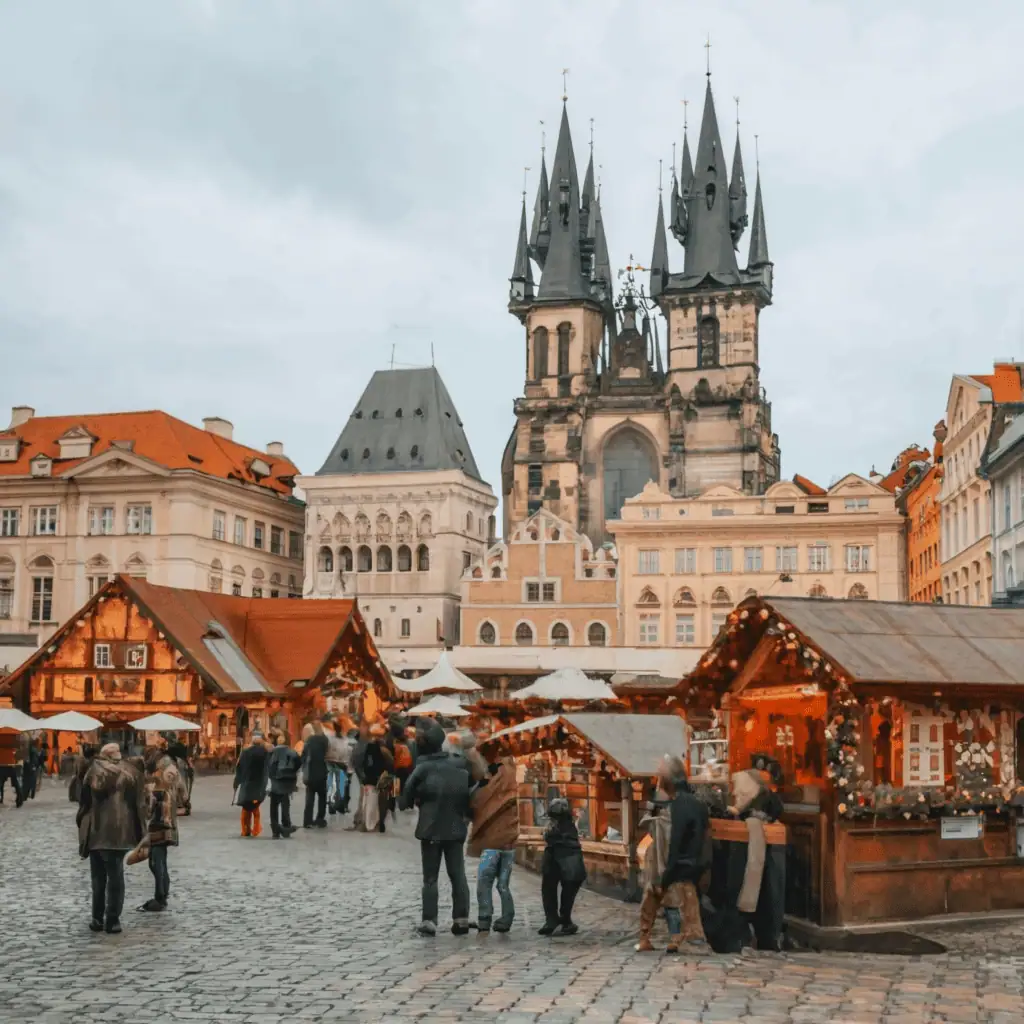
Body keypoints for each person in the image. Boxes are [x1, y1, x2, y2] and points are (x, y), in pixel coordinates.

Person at [399, 718, 472, 937]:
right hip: (456, 827)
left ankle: (429, 920)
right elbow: (471, 792)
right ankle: (461, 918)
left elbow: (405, 799)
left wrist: (416, 798)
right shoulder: (460, 764)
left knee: (430, 877)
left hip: (431, 828)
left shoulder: (423, 768)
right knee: (457, 874)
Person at [77, 742, 147, 934]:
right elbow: (139, 804)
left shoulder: (92, 772)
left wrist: (82, 825)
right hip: (119, 831)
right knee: (115, 877)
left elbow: (83, 802)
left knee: (98, 878)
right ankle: (113, 920)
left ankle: (97, 918)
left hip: (96, 831)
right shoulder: (130, 774)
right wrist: (141, 832)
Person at [659, 757, 709, 949]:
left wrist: (668, 871)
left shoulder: (679, 804)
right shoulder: (696, 802)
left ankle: (681, 938)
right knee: (689, 902)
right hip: (695, 864)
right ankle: (688, 938)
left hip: (682, 866)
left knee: (676, 904)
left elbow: (676, 840)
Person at [468, 756, 519, 933]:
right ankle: (506, 918)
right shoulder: (512, 788)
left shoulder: (490, 790)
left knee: (485, 881)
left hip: (493, 844)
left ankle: (485, 919)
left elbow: (473, 803)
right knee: (502, 884)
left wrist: (480, 784)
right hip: (509, 843)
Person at [138, 746, 188, 912]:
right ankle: (163, 893)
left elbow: (151, 797)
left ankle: (160, 896)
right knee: (160, 858)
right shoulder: (171, 765)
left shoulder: (157, 770)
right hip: (169, 818)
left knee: (156, 860)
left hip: (159, 819)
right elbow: (183, 793)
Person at [539, 797, 587, 936]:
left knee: (557, 891)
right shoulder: (563, 826)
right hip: (562, 860)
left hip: (566, 861)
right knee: (554, 890)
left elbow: (551, 837)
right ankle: (558, 920)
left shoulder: (561, 827)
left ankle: (560, 920)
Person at [233, 730, 269, 837]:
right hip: (259, 783)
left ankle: (245, 829)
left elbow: (239, 768)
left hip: (246, 783)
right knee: (255, 807)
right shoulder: (265, 752)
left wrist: (237, 782)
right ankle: (256, 828)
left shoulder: (245, 752)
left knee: (246, 807)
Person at [267, 731, 300, 839]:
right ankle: (286, 825)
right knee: (285, 804)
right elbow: (298, 764)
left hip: (276, 783)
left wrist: (271, 778)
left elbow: (270, 767)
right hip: (287, 782)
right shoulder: (292, 752)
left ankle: (275, 830)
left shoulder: (273, 752)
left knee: (274, 806)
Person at [361, 724, 393, 834]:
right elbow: (390, 764)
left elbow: (363, 763)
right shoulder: (383, 749)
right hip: (380, 779)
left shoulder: (367, 747)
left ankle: (368, 824)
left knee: (368, 801)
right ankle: (374, 824)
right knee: (377, 803)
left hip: (368, 779)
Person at [301, 721, 329, 829]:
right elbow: (327, 752)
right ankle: (320, 819)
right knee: (322, 797)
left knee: (310, 798)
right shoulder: (324, 740)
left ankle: (307, 821)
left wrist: (303, 767)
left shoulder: (310, 740)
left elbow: (304, 755)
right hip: (322, 771)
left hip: (311, 772)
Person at [326, 720, 351, 816]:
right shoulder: (331, 738)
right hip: (332, 762)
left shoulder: (344, 739)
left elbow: (347, 752)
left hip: (340, 763)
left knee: (339, 785)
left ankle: (337, 805)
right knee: (333, 785)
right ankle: (333, 806)